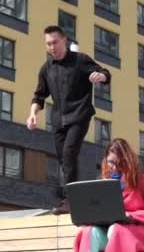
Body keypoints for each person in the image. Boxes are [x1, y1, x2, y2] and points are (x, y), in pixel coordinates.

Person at [27, 25, 111, 215]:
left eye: (55, 42)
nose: (52, 47)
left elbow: (105, 73)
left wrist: (101, 76)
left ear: (64, 40)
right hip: (59, 120)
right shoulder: (46, 69)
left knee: (69, 153)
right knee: (64, 160)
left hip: (80, 114)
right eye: (48, 44)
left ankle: (70, 200)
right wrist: (33, 113)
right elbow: (39, 96)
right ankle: (73, 198)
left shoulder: (80, 60)